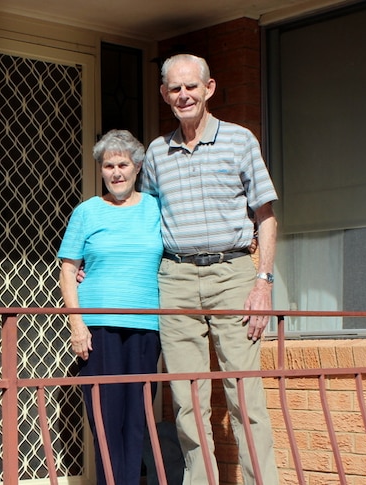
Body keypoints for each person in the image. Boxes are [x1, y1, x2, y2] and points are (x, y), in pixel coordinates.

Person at [139, 53, 280, 484]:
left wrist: (263, 282)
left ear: (209, 88)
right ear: (164, 94)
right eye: (175, 89)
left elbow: (266, 214)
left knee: (244, 395)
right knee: (187, 398)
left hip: (233, 274)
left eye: (191, 87)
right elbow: (142, 220)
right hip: (176, 278)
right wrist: (95, 263)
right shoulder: (156, 154)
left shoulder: (240, 141)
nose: (184, 95)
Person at [58, 129, 164, 485]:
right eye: (108, 166)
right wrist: (77, 325)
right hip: (97, 328)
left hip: (146, 326)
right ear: (101, 170)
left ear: (136, 167)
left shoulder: (156, 209)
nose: (116, 172)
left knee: (138, 419)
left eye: (123, 164)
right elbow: (69, 270)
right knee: (104, 418)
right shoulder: (86, 212)